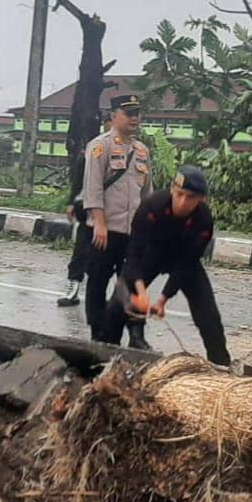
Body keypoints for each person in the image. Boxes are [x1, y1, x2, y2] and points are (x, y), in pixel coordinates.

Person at [101, 165, 231, 366]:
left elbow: (187, 263)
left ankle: (221, 366)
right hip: (150, 255)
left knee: (208, 315)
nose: (182, 202)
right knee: (117, 304)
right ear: (172, 188)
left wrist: (163, 299)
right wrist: (140, 289)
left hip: (183, 259)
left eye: (190, 198)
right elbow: (134, 251)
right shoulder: (152, 206)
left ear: (201, 199)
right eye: (179, 194)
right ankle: (106, 359)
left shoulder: (203, 219)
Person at [82, 94, 152, 345]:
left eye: (137, 113)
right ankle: (97, 332)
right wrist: (99, 223)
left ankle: (135, 333)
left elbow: (147, 194)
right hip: (105, 230)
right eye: (128, 113)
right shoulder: (100, 146)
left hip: (132, 233)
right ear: (114, 116)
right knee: (98, 282)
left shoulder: (141, 151)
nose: (135, 118)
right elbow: (93, 189)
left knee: (132, 283)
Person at [58, 115, 108, 307]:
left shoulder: (133, 150)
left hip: (116, 214)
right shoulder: (94, 149)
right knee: (81, 252)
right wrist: (72, 202)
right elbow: (79, 179)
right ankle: (73, 290)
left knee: (110, 259)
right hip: (89, 211)